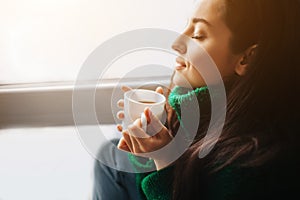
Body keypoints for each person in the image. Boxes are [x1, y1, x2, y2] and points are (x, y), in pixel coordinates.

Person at [93, 0, 300, 199]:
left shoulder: (252, 164)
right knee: (112, 155)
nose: (177, 44)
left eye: (199, 35)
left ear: (246, 58)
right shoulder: (208, 114)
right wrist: (151, 146)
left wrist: (165, 160)